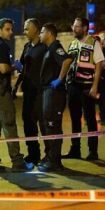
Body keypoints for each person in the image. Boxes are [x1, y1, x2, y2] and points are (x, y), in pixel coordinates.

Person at [0, 18, 33, 172]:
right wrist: (15, 66)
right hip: (0, 91)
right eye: (7, 29)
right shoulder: (2, 46)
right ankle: (18, 162)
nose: (11, 32)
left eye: (11, 29)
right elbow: (3, 69)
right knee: (9, 125)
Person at [62, 17, 104, 161]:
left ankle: (93, 151)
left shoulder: (94, 43)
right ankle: (75, 149)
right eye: (73, 26)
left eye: (77, 26)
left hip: (87, 86)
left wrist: (95, 86)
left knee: (90, 119)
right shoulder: (73, 44)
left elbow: (99, 65)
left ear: (85, 28)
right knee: (75, 118)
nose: (74, 28)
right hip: (73, 85)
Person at [37, 23, 71, 172]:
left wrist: (60, 78)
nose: (40, 34)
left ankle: (55, 161)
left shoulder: (56, 47)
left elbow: (67, 60)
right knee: (47, 124)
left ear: (49, 33)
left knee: (52, 125)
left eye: (42, 32)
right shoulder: (48, 49)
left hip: (54, 92)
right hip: (47, 91)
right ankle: (50, 157)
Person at [14, 18, 47, 164]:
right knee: (28, 123)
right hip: (28, 91)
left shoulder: (45, 48)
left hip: (40, 92)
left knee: (43, 124)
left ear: (36, 29)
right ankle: (33, 153)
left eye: (27, 28)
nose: (24, 31)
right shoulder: (27, 47)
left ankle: (50, 155)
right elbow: (23, 68)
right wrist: (16, 86)